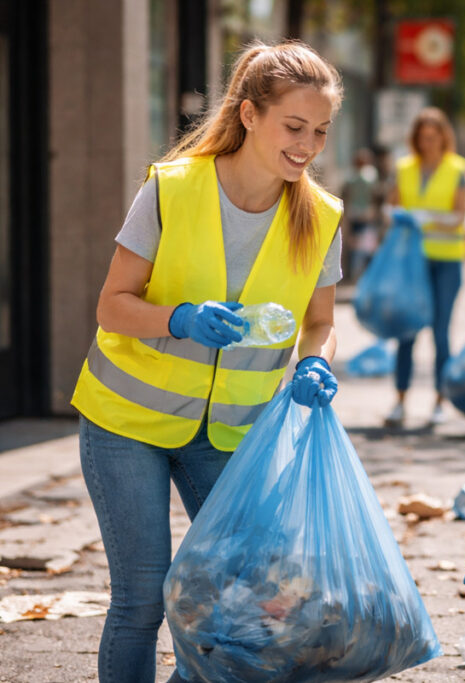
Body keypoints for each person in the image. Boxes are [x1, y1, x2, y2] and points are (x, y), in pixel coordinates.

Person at [70, 41, 344, 683]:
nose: (307, 146)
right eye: (294, 127)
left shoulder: (321, 216)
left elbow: (322, 322)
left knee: (246, 597)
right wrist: (179, 319)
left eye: (321, 132)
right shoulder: (173, 188)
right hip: (125, 423)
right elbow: (112, 306)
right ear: (249, 115)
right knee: (141, 601)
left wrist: (316, 364)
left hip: (229, 433)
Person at [384, 107, 465, 428]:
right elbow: (391, 207)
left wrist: (426, 219)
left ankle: (439, 400)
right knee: (406, 330)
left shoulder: (459, 169)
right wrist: (398, 216)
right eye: (423, 138)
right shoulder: (404, 168)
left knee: (440, 332)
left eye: (434, 138)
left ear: (444, 138)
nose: (428, 144)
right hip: (412, 262)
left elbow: (460, 216)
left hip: (447, 261)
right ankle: (400, 399)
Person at [341, 147, 379, 281]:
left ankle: (354, 272)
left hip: (354, 214)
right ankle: (361, 273)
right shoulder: (370, 176)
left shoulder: (351, 177)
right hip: (366, 214)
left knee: (354, 243)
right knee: (365, 245)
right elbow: (375, 195)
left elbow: (345, 195)